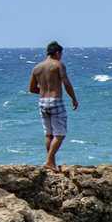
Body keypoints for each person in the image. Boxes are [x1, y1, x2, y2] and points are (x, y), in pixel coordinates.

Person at [28, 41, 79, 169]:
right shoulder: (58, 65)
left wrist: (44, 91)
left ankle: (52, 163)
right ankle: (49, 160)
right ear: (57, 53)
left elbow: (32, 89)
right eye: (61, 54)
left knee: (49, 134)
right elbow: (66, 82)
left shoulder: (37, 68)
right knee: (60, 134)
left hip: (42, 102)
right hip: (56, 101)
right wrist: (73, 98)